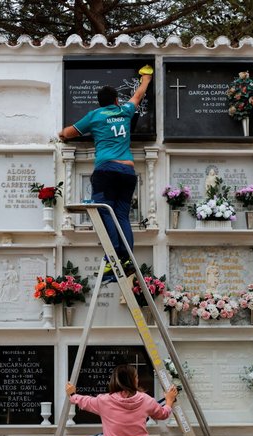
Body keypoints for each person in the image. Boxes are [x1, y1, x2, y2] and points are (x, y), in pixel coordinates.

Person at [58, 67, 153, 282]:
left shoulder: (95, 116)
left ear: (99, 102)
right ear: (116, 100)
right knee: (122, 215)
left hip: (106, 171)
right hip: (128, 171)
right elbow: (138, 95)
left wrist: (61, 134)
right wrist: (146, 78)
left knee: (103, 211)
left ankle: (115, 257)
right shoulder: (125, 111)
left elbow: (68, 133)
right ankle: (126, 258)